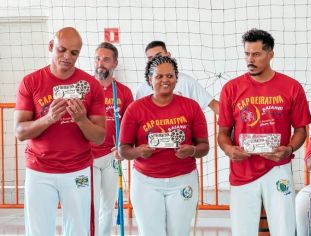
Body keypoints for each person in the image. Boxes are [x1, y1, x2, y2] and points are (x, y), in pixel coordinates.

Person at [217, 28, 311, 236]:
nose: (250, 59)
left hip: (278, 167)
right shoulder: (231, 89)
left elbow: (301, 130)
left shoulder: (292, 87)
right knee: (243, 231)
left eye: (256, 54)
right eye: (247, 54)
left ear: (270, 54)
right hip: (242, 170)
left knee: (284, 229)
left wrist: (288, 148)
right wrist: (228, 149)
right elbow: (223, 133)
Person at [14, 27, 106, 236]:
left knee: (79, 231)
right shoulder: (31, 82)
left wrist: (81, 120)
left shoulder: (91, 85)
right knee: (38, 232)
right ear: (50, 47)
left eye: (73, 53)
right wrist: (49, 118)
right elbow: (20, 131)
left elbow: (99, 137)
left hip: (78, 169)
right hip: (39, 169)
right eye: (62, 50)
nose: (67, 57)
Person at [119, 56, 209, 236]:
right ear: (149, 80)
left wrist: (191, 150)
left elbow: (204, 147)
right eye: (159, 76)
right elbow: (124, 149)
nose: (165, 80)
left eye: (170, 75)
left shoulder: (191, 107)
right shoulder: (136, 109)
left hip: (183, 180)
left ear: (176, 78)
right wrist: (138, 151)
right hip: (146, 182)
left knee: (179, 232)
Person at [92, 42, 133, 236]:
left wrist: (124, 147)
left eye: (106, 59)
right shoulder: (86, 88)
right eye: (98, 58)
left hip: (112, 157)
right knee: (90, 205)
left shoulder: (124, 92)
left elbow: (130, 125)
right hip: (88, 157)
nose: (100, 63)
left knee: (107, 206)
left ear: (115, 63)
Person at [136, 40, 219, 114]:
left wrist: (228, 122)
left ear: (168, 55)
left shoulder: (186, 81)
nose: (155, 60)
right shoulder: (142, 89)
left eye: (158, 55)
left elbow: (214, 104)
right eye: (151, 58)